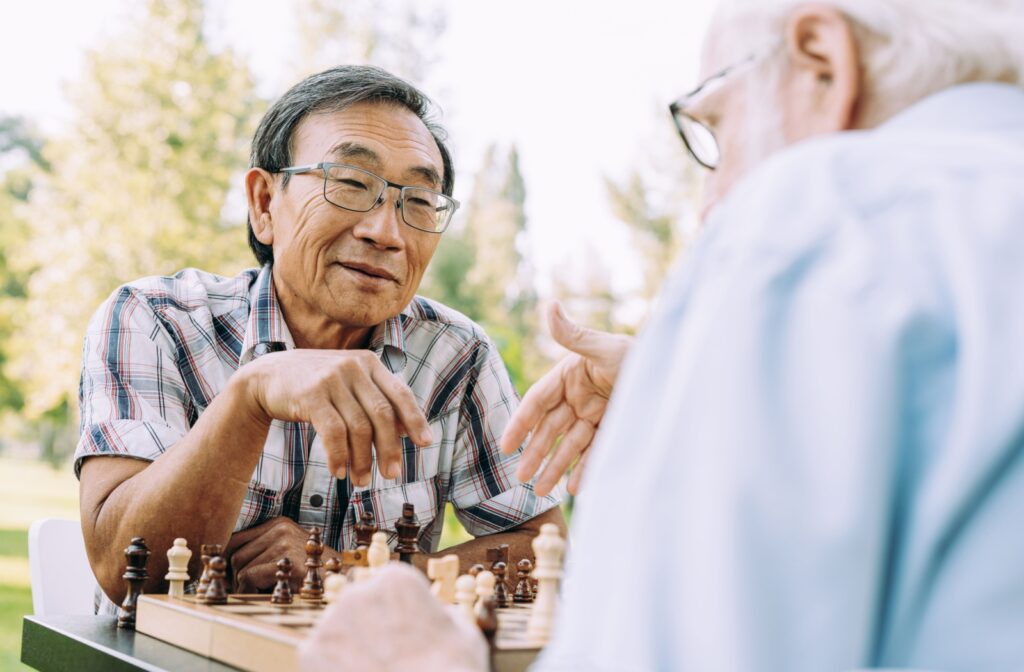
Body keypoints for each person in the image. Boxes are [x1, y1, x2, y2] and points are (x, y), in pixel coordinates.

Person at [304, 0, 1024, 669]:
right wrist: (688, 393)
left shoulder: (823, 208)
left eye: (714, 129)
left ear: (823, 63)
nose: (712, 204)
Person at [75, 65, 565, 613]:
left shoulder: (456, 355)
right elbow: (124, 571)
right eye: (352, 183)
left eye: (420, 202)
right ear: (264, 204)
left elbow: (543, 550)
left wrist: (356, 572)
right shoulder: (154, 320)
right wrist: (250, 396)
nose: (386, 232)